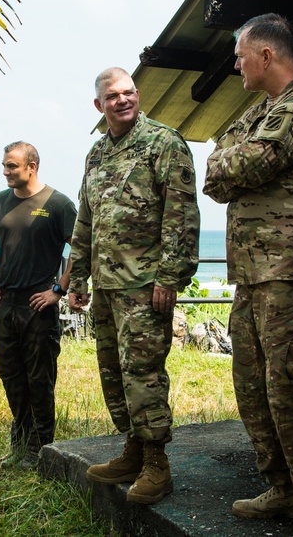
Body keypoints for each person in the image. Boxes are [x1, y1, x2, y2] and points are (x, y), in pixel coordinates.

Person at [203, 14, 293, 536]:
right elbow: (215, 170)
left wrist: (232, 161)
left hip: (291, 271)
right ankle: (284, 489)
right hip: (253, 275)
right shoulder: (260, 112)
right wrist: (229, 160)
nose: (236, 64)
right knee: (251, 387)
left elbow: (246, 167)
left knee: (291, 389)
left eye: (240, 55)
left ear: (266, 55)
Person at [68, 67, 200, 505]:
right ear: (98, 105)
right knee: (113, 372)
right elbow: (85, 220)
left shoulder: (164, 143)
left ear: (138, 95)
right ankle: (134, 449)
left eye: (128, 93)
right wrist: (78, 276)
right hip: (106, 287)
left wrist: (170, 277)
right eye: (112, 96)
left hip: (146, 285)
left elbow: (180, 216)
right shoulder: (96, 154)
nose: (122, 101)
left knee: (143, 373)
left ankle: (157, 463)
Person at [0, 141, 77, 471]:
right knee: (11, 377)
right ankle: (20, 444)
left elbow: (81, 247)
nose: (5, 171)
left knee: (39, 379)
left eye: (12, 165)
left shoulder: (58, 204)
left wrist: (58, 289)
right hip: (4, 305)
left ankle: (41, 450)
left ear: (32, 166)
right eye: (4, 165)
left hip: (37, 306)